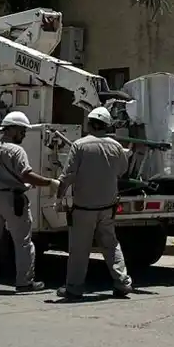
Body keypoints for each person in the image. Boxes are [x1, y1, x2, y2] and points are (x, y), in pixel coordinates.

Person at [0, 111, 59, 294]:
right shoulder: (16, 150)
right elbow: (25, 174)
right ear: (12, 129)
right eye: (22, 131)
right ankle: (24, 282)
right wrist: (48, 182)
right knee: (23, 242)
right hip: (13, 200)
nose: (23, 134)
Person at [57, 106, 133, 300]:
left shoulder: (80, 145)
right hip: (107, 207)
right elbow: (122, 170)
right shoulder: (115, 146)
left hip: (84, 208)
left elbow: (68, 176)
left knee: (79, 249)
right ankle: (123, 282)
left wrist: (59, 197)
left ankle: (74, 288)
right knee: (111, 245)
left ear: (90, 123)